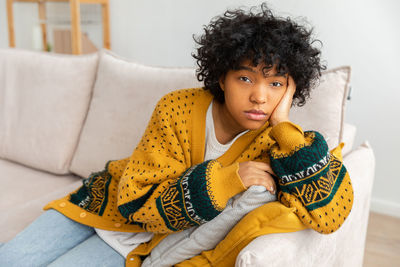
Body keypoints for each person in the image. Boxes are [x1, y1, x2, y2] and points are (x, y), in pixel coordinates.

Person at [0, 3, 353, 266]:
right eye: (245, 78)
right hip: (101, 202)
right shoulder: (177, 107)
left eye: (276, 83)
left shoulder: (281, 145)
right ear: (221, 77)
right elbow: (137, 203)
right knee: (12, 258)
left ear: (291, 89)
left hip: (142, 244)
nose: (260, 96)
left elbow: (331, 216)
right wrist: (228, 179)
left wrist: (284, 127)